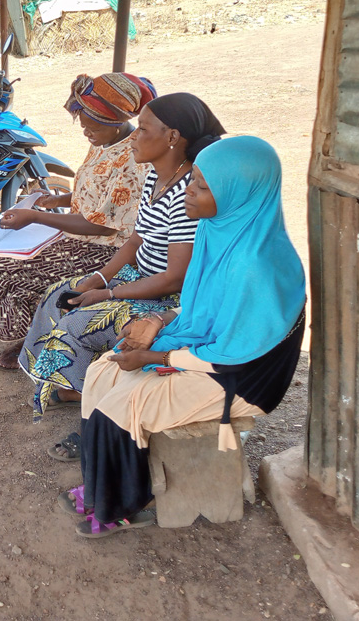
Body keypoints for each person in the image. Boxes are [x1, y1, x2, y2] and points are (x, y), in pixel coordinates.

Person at [60, 136, 306, 538]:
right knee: (105, 371)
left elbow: (234, 357)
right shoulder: (220, 230)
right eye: (192, 180)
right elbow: (201, 309)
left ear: (241, 193)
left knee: (127, 399)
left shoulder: (258, 266)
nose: (188, 193)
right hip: (211, 351)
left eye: (203, 187)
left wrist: (156, 359)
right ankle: (104, 485)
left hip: (241, 378)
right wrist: (157, 322)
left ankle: (122, 505)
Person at [21, 92, 226, 436]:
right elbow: (136, 240)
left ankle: (102, 413)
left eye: (142, 129)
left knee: (77, 325)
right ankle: (78, 387)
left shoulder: (188, 194)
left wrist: (109, 294)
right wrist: (100, 278)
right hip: (141, 277)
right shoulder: (156, 178)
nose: (133, 136)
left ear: (172, 137)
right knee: (60, 294)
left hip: (168, 298)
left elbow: (175, 279)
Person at [0, 72, 155, 368]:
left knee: (12, 271)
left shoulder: (133, 158)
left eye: (92, 128)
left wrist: (36, 216)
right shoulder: (105, 140)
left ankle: (42, 339)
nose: (87, 134)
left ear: (116, 121)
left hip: (109, 247)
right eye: (84, 127)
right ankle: (38, 331)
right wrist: (57, 201)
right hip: (83, 234)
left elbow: (101, 223)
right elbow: (94, 192)